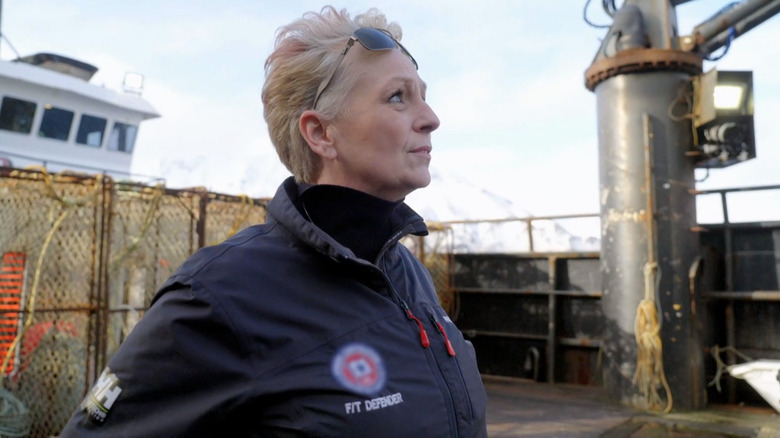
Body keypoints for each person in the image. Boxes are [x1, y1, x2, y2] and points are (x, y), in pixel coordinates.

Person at [61, 5, 487, 436]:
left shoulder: (404, 272)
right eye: (398, 96)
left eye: (423, 95)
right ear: (320, 134)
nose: (431, 119)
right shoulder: (222, 296)